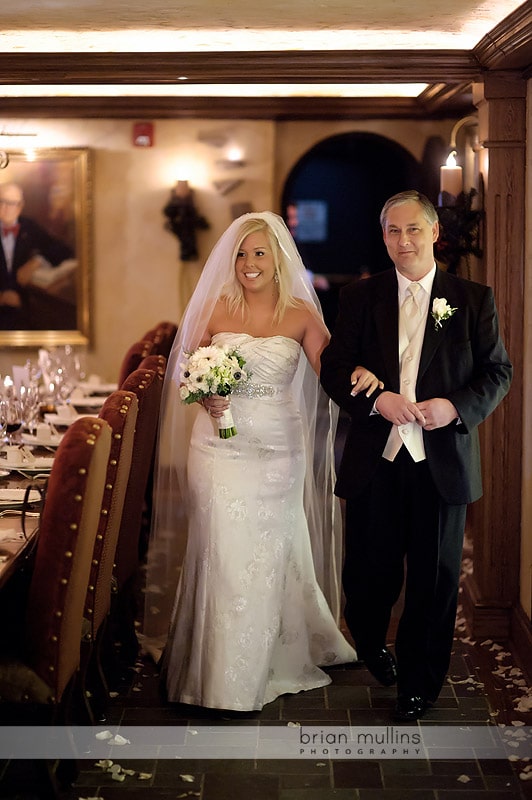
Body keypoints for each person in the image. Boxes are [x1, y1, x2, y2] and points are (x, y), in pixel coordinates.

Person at [143, 211, 382, 712]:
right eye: (241, 254)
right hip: (215, 448)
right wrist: (202, 393)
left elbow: (330, 370)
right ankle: (213, 674)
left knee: (266, 554)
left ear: (278, 258)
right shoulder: (213, 308)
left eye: (259, 253)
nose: (249, 264)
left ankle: (262, 659)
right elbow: (183, 370)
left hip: (278, 451)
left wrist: (361, 373)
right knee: (221, 549)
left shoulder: (300, 314)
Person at [320, 190, 512, 722]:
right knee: (367, 576)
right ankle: (372, 641)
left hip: (441, 462)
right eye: (392, 231)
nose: (402, 241)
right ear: (382, 237)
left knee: (435, 578)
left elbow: (498, 372)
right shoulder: (360, 297)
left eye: (412, 230)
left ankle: (420, 684)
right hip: (374, 460)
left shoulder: (472, 298)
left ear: (433, 234)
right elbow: (334, 368)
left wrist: (455, 406)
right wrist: (376, 398)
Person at [0, 182, 74, 329]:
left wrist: (37, 261)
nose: (5, 208)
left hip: (25, 312)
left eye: (12, 203)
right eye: (1, 202)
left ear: (20, 206)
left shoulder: (29, 226)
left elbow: (64, 250)